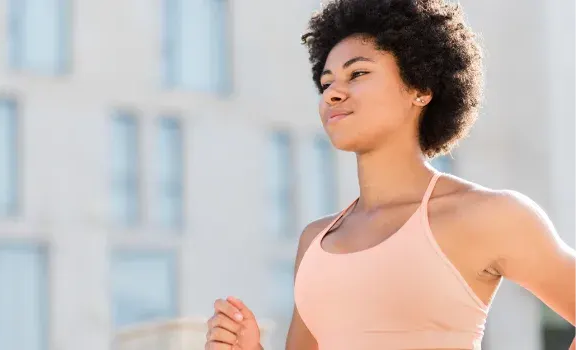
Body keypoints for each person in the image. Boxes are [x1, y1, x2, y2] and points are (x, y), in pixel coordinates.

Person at [203, 0, 576, 349]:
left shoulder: (488, 215)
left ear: (420, 88)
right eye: (327, 82)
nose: (333, 93)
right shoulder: (316, 241)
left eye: (358, 73)